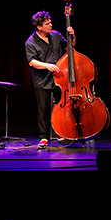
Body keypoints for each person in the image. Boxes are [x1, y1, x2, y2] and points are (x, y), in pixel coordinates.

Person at [25, 11, 75, 148]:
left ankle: (61, 131)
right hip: (42, 80)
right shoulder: (31, 42)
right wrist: (47, 66)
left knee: (62, 107)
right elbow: (32, 62)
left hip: (60, 79)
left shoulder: (56, 36)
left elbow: (70, 47)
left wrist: (72, 36)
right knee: (43, 110)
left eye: (50, 22)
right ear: (39, 27)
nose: (51, 25)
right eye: (47, 24)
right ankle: (44, 137)